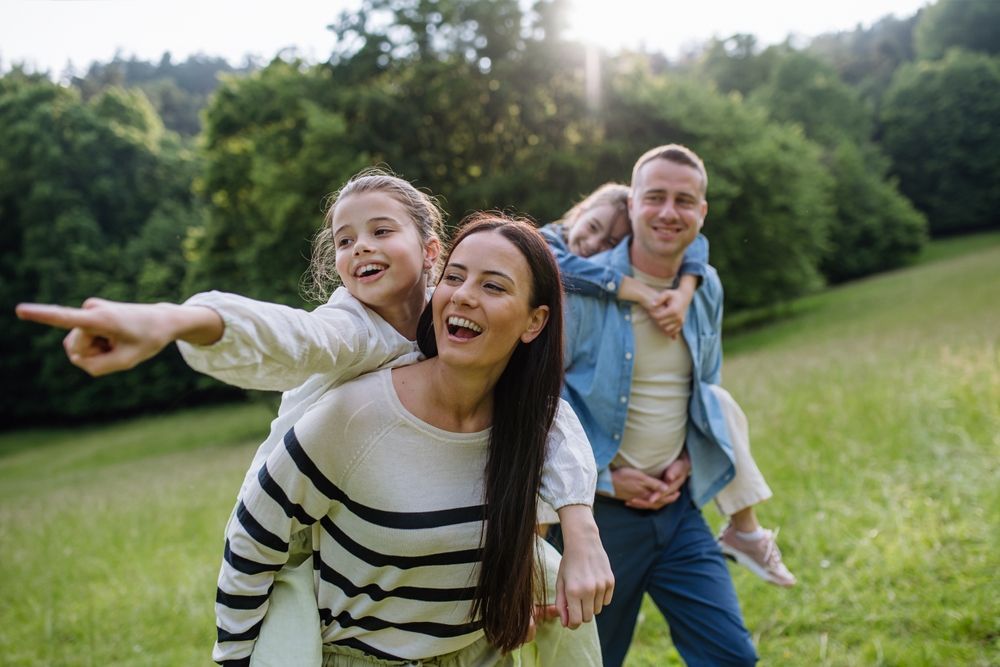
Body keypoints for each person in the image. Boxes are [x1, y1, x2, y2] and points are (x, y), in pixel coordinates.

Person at [16, 172, 613, 665]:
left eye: (381, 230)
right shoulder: (352, 328)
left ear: (430, 250)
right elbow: (292, 338)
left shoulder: (454, 319)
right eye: (345, 240)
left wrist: (577, 526)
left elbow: (544, 417)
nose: (361, 249)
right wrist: (177, 321)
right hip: (309, 543)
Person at [558, 145, 761, 666]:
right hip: (598, 522)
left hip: (679, 513)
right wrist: (605, 479)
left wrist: (689, 460)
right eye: (655, 198)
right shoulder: (580, 289)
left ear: (702, 212)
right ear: (632, 206)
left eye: (684, 200)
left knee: (732, 658)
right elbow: (544, 406)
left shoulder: (706, 285)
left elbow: (706, 384)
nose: (669, 212)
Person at [543, 183, 795, 588]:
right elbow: (558, 263)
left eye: (609, 240)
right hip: (587, 489)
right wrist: (638, 290)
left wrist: (686, 288)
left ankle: (745, 528)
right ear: (575, 213)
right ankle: (529, 570)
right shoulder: (549, 248)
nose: (590, 245)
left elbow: (695, 244)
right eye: (589, 227)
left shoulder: (697, 283)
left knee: (719, 401)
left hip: (671, 499)